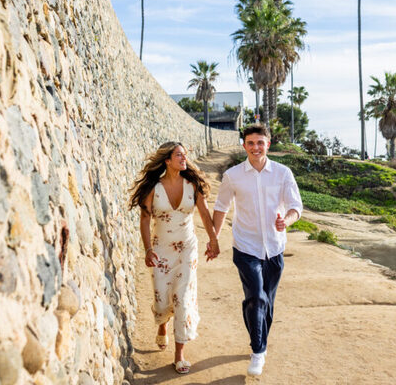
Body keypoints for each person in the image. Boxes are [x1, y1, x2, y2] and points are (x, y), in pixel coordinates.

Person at [211, 124, 303, 376]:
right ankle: (258, 351)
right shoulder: (233, 175)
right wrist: (214, 238)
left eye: (260, 142)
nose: (255, 147)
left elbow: (296, 206)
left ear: (268, 145)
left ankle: (257, 338)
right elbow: (221, 207)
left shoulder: (283, 173)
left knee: (267, 303)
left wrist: (288, 220)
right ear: (244, 146)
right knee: (256, 297)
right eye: (250, 143)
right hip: (246, 247)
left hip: (274, 248)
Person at [128, 142, 220, 375]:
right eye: (179, 155)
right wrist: (148, 249)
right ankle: (162, 324)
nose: (184, 158)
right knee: (162, 299)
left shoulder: (193, 186)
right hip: (161, 250)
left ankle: (179, 355)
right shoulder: (153, 188)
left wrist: (213, 239)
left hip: (187, 249)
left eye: (185, 155)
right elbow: (145, 220)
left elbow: (205, 214)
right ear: (167, 161)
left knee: (182, 297)